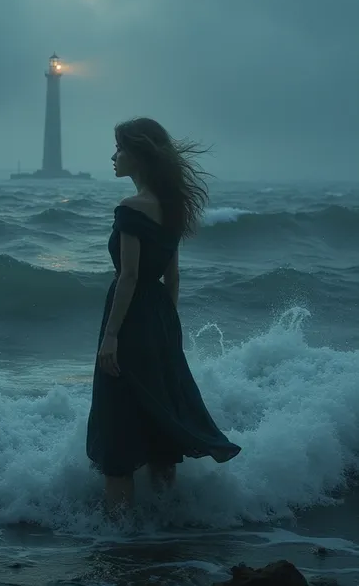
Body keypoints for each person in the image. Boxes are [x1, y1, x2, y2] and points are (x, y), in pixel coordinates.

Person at [86, 117, 241, 515]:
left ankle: (117, 539)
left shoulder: (130, 207)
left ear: (139, 155)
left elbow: (130, 276)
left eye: (120, 149)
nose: (113, 156)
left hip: (131, 319)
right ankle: (165, 525)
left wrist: (111, 336)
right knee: (159, 424)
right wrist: (166, 330)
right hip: (160, 321)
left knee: (118, 426)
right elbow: (171, 278)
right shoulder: (172, 207)